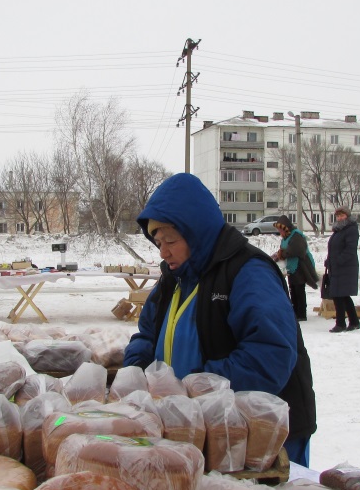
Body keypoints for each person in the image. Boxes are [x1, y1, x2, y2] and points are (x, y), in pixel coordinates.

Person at [123, 173, 316, 466]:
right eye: (158, 242)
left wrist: (191, 389)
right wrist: (134, 376)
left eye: (170, 240)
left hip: (264, 436)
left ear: (196, 232)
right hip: (200, 428)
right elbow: (148, 334)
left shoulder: (248, 272)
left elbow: (269, 357)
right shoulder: (173, 278)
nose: (163, 252)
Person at [270, 214, 319, 321]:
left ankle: (301, 313)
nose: (280, 232)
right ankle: (295, 311)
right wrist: (274, 257)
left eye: (280, 230)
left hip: (301, 266)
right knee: (293, 288)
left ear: (285, 228)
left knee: (299, 289)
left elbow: (297, 250)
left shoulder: (296, 235)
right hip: (292, 267)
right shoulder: (286, 238)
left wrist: (282, 254)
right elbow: (282, 250)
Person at [323, 206, 360, 333]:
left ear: (347, 216)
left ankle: (340, 323)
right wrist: (329, 261)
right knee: (342, 295)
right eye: (338, 216)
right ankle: (354, 322)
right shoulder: (338, 230)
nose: (339, 218)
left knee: (339, 295)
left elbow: (350, 249)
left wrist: (338, 261)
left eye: (342, 215)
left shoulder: (351, 230)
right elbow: (333, 248)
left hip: (346, 267)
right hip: (336, 267)